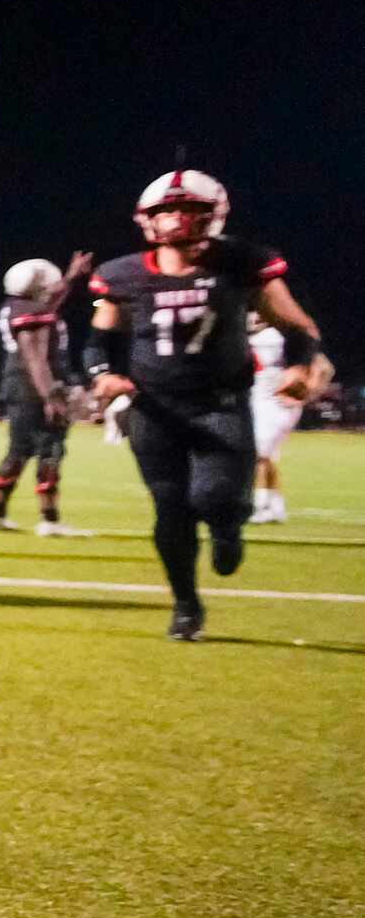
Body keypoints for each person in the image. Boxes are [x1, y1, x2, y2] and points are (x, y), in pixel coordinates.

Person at [85, 169, 326, 640]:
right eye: (166, 211)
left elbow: (298, 326)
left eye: (188, 210)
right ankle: (186, 605)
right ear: (147, 219)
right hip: (153, 408)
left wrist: (300, 366)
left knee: (215, 497)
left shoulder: (241, 262)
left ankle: (228, 527)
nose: (176, 220)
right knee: (170, 508)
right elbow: (98, 342)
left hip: (221, 403)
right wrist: (102, 376)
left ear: (212, 215)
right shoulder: (124, 274)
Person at [0, 253, 93, 536]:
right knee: (51, 450)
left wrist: (71, 277)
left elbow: (53, 300)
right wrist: (51, 395)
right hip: (35, 386)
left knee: (18, 450)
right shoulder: (31, 311)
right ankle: (50, 519)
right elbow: (36, 359)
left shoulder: (17, 305)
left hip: (18, 385)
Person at [249, 317, 332, 523]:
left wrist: (307, 392)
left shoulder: (274, 337)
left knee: (257, 454)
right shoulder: (264, 337)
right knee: (267, 457)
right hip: (263, 402)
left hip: (275, 403)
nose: (252, 318)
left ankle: (258, 506)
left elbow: (324, 367)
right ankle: (276, 507)